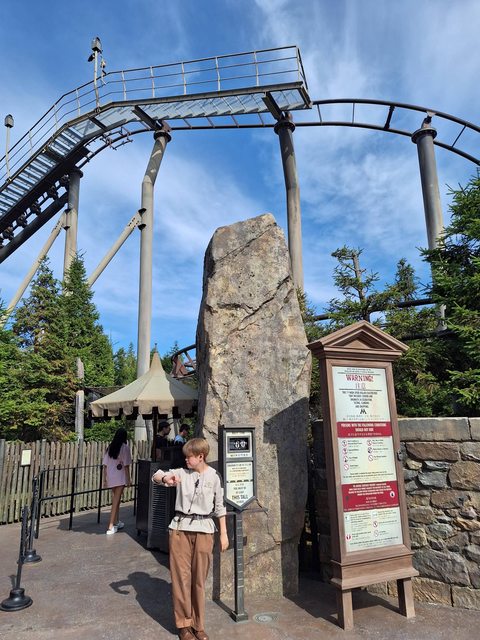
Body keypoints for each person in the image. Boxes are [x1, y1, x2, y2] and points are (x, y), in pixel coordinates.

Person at [152, 437, 229, 640]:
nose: (186, 460)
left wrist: (223, 534)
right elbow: (156, 475)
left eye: (189, 457)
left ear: (201, 456)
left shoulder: (214, 476)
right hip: (180, 530)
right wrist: (165, 479)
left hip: (205, 530)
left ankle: (198, 625)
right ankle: (184, 626)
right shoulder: (181, 473)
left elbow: (220, 507)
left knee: (199, 580)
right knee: (181, 579)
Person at [103, 427, 132, 535]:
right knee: (116, 501)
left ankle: (116, 522)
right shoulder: (125, 448)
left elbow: (105, 465)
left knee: (116, 499)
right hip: (120, 477)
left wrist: (105, 479)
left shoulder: (110, 447)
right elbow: (126, 465)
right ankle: (111, 525)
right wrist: (128, 479)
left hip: (111, 476)